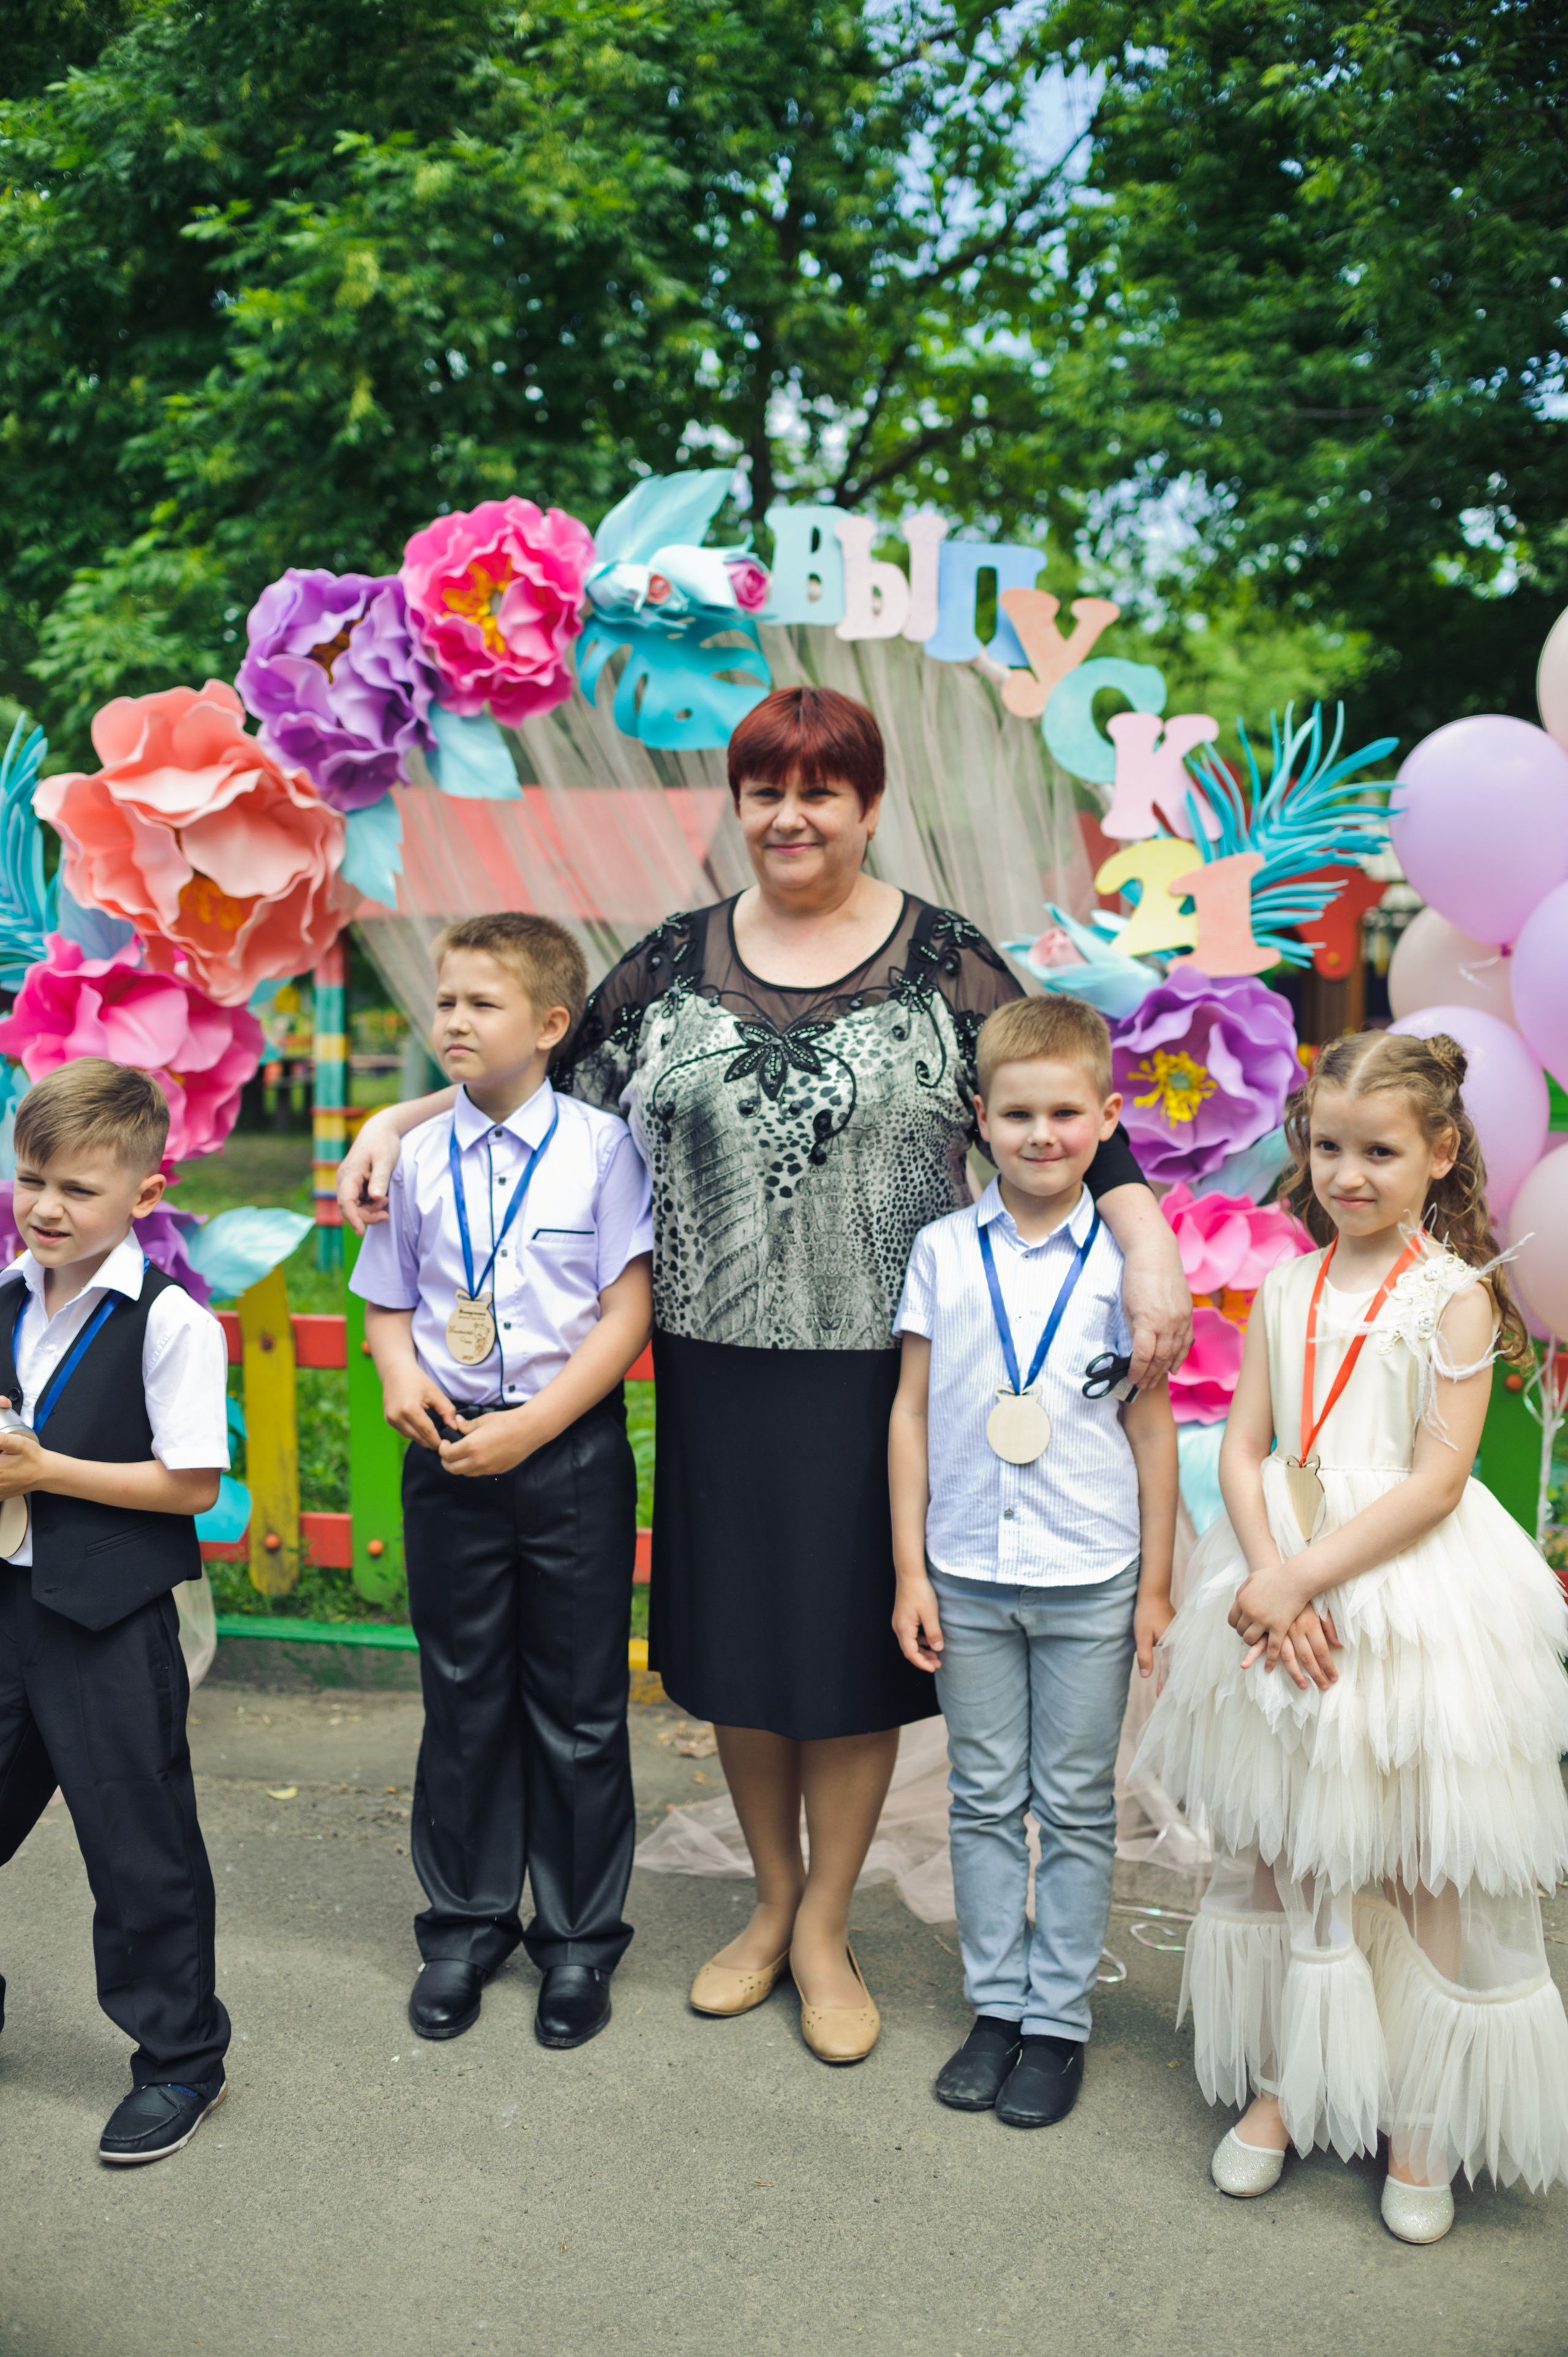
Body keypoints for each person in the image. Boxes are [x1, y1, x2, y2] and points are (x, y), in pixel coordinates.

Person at [339, 686, 1191, 2065]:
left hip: (882, 1371)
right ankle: (767, 1899)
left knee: (847, 1658)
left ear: (866, 805)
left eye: (818, 791)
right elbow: (537, 1068)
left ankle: (825, 1926)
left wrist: (1144, 1242)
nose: (787, 817)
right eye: (761, 791)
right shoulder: (670, 961)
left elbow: (1063, 1106)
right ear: (735, 805)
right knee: (741, 1650)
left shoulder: (946, 962)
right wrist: (402, 1109)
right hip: (713, 1363)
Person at [1136, 1029, 1568, 2243]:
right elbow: (1240, 1439)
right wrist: (1269, 1575)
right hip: (1283, 1565)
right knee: (1297, 1844)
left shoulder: (1455, 1297)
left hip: (1410, 1590)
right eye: (1326, 1147)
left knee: (1417, 1855)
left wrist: (1307, 1580)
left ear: (1437, 1152)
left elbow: (1433, 1482)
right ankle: (1290, 2082)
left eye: (1378, 1150)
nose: (1348, 1173)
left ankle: (1419, 2111)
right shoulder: (1282, 1286)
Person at [351, 913, 653, 2052]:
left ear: (551, 1025)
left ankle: (577, 1939)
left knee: (576, 1702)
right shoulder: (414, 1156)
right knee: (463, 1692)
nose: (455, 1022)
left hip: (564, 1448)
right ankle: (466, 1926)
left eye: (482, 1003)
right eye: (445, 1002)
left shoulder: (601, 1148)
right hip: (445, 1449)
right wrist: (393, 1371)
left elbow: (625, 1314)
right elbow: (390, 1295)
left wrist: (534, 1429)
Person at [889, 995, 1178, 2126]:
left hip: (1090, 1577)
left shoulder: (1125, 1266)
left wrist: (1154, 1587)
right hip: (964, 1568)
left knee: (1073, 1802)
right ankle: (995, 2007)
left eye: (1067, 1113)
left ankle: (1057, 2022)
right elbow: (910, 1414)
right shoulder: (941, 1253)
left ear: (1107, 1119)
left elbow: (1149, 1429)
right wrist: (912, 1571)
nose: (1042, 1135)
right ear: (981, 1119)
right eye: (1018, 1114)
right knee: (980, 1797)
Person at [0, 1060, 232, 2165]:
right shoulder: (3, 1294)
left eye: (78, 1190)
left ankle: (181, 2062)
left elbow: (190, 1486)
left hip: (105, 1619)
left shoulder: (173, 1322)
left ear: (145, 1193)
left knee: (137, 1852)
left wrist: (43, 1469)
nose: (46, 1207)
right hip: (4, 1606)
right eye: (32, 1179)